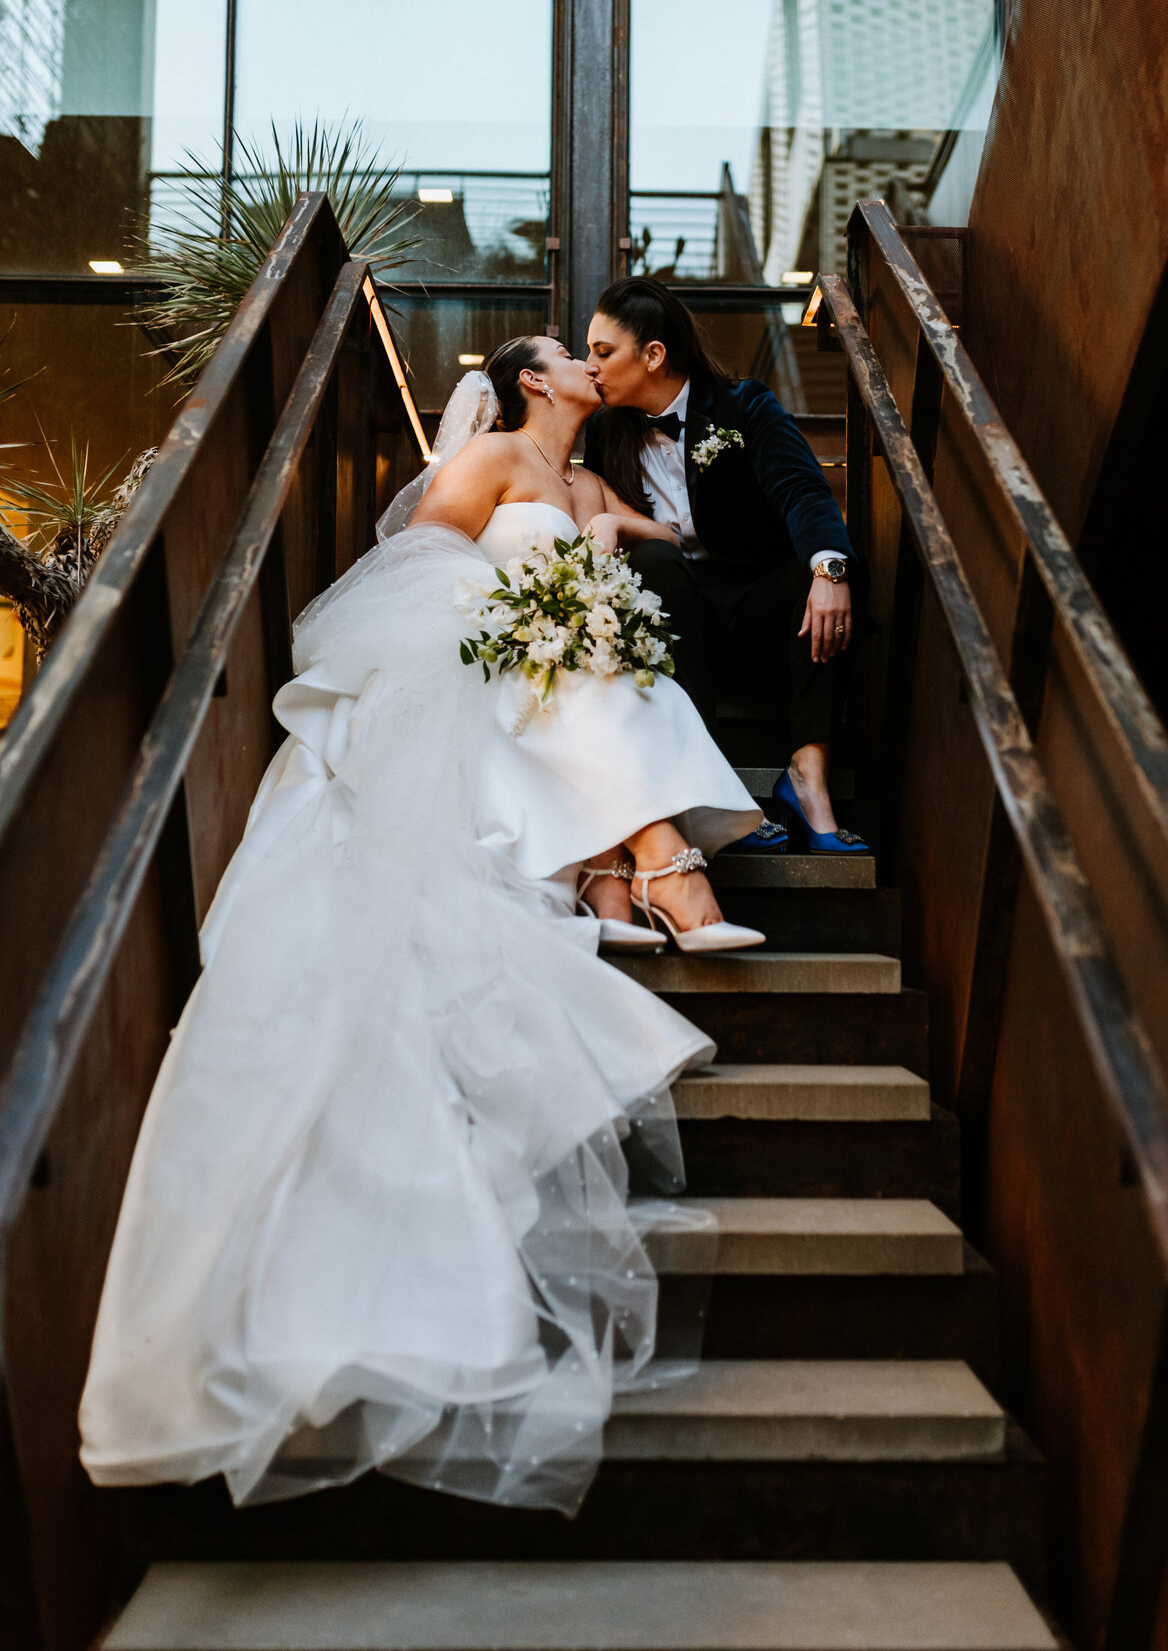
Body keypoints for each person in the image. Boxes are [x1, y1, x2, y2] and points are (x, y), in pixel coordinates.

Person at [77, 337, 763, 1520]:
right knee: (583, 675)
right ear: (535, 379)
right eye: (573, 355)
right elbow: (416, 572)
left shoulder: (592, 484)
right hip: (473, 660)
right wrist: (530, 613)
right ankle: (656, 868)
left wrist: (598, 568)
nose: (592, 362)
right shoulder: (490, 455)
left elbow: (678, 545)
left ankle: (631, 872)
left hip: (557, 652)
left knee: (614, 666)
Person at [584, 276, 869, 855]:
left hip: (761, 614)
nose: (591, 365)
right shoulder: (605, 434)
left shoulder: (744, 405)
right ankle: (713, 790)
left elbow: (803, 492)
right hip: (672, 623)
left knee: (812, 571)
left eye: (603, 351)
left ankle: (808, 780)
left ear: (654, 355)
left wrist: (829, 572)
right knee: (656, 562)